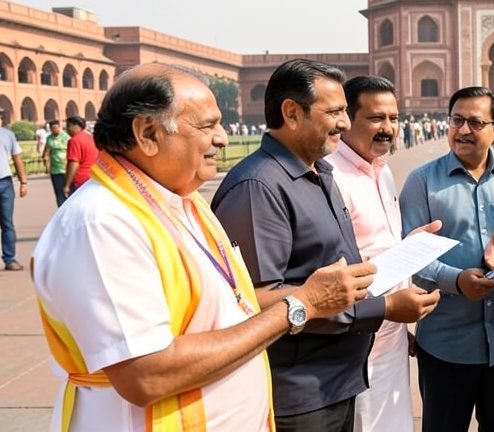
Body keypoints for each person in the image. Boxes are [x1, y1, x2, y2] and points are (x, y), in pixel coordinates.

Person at [32, 63, 378, 430]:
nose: (223, 138)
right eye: (207, 126)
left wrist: (317, 296)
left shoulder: (183, 200)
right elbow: (147, 374)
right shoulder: (103, 223)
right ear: (148, 134)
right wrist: (302, 304)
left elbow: (234, 304)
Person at [212, 59, 438, 432]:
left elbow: (337, 271)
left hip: (338, 379)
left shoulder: (319, 174)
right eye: (334, 111)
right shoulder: (259, 187)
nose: (346, 123)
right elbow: (253, 301)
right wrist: (380, 309)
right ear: (292, 113)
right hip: (298, 391)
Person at [399, 86, 494, 432]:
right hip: (446, 344)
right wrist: (457, 280)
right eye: (457, 120)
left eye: (475, 122)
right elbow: (409, 257)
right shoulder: (422, 183)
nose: (463, 130)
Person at [324, 75, 423, 431]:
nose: (388, 128)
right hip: (355, 347)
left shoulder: (383, 172)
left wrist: (411, 246)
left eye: (394, 119)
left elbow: (377, 246)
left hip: (390, 338)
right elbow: (333, 269)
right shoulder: (330, 176)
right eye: (376, 118)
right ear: (348, 118)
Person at [0, 122, 28, 271]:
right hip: (4, 183)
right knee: (7, 224)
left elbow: (17, 158)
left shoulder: (7, 134)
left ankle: (10, 259)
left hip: (4, 182)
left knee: (7, 224)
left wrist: (23, 182)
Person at [64, 115, 98, 198]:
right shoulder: (91, 138)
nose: (67, 130)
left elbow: (74, 164)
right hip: (92, 178)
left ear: (77, 126)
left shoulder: (74, 141)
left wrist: (67, 185)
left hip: (80, 180)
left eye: (69, 126)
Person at [42, 119, 70, 207]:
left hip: (66, 168)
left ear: (59, 127)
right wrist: (46, 166)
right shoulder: (49, 138)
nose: (55, 130)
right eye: (53, 128)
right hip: (55, 169)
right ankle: (61, 210)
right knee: (59, 192)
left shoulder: (66, 137)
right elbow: (46, 152)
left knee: (69, 191)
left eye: (56, 128)